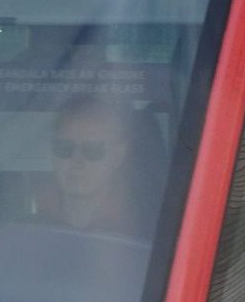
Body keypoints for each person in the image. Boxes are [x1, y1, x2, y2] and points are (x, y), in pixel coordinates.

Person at [39, 96, 157, 237]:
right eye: (64, 148)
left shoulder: (149, 234)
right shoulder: (27, 231)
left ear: (118, 155)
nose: (77, 161)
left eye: (92, 150)